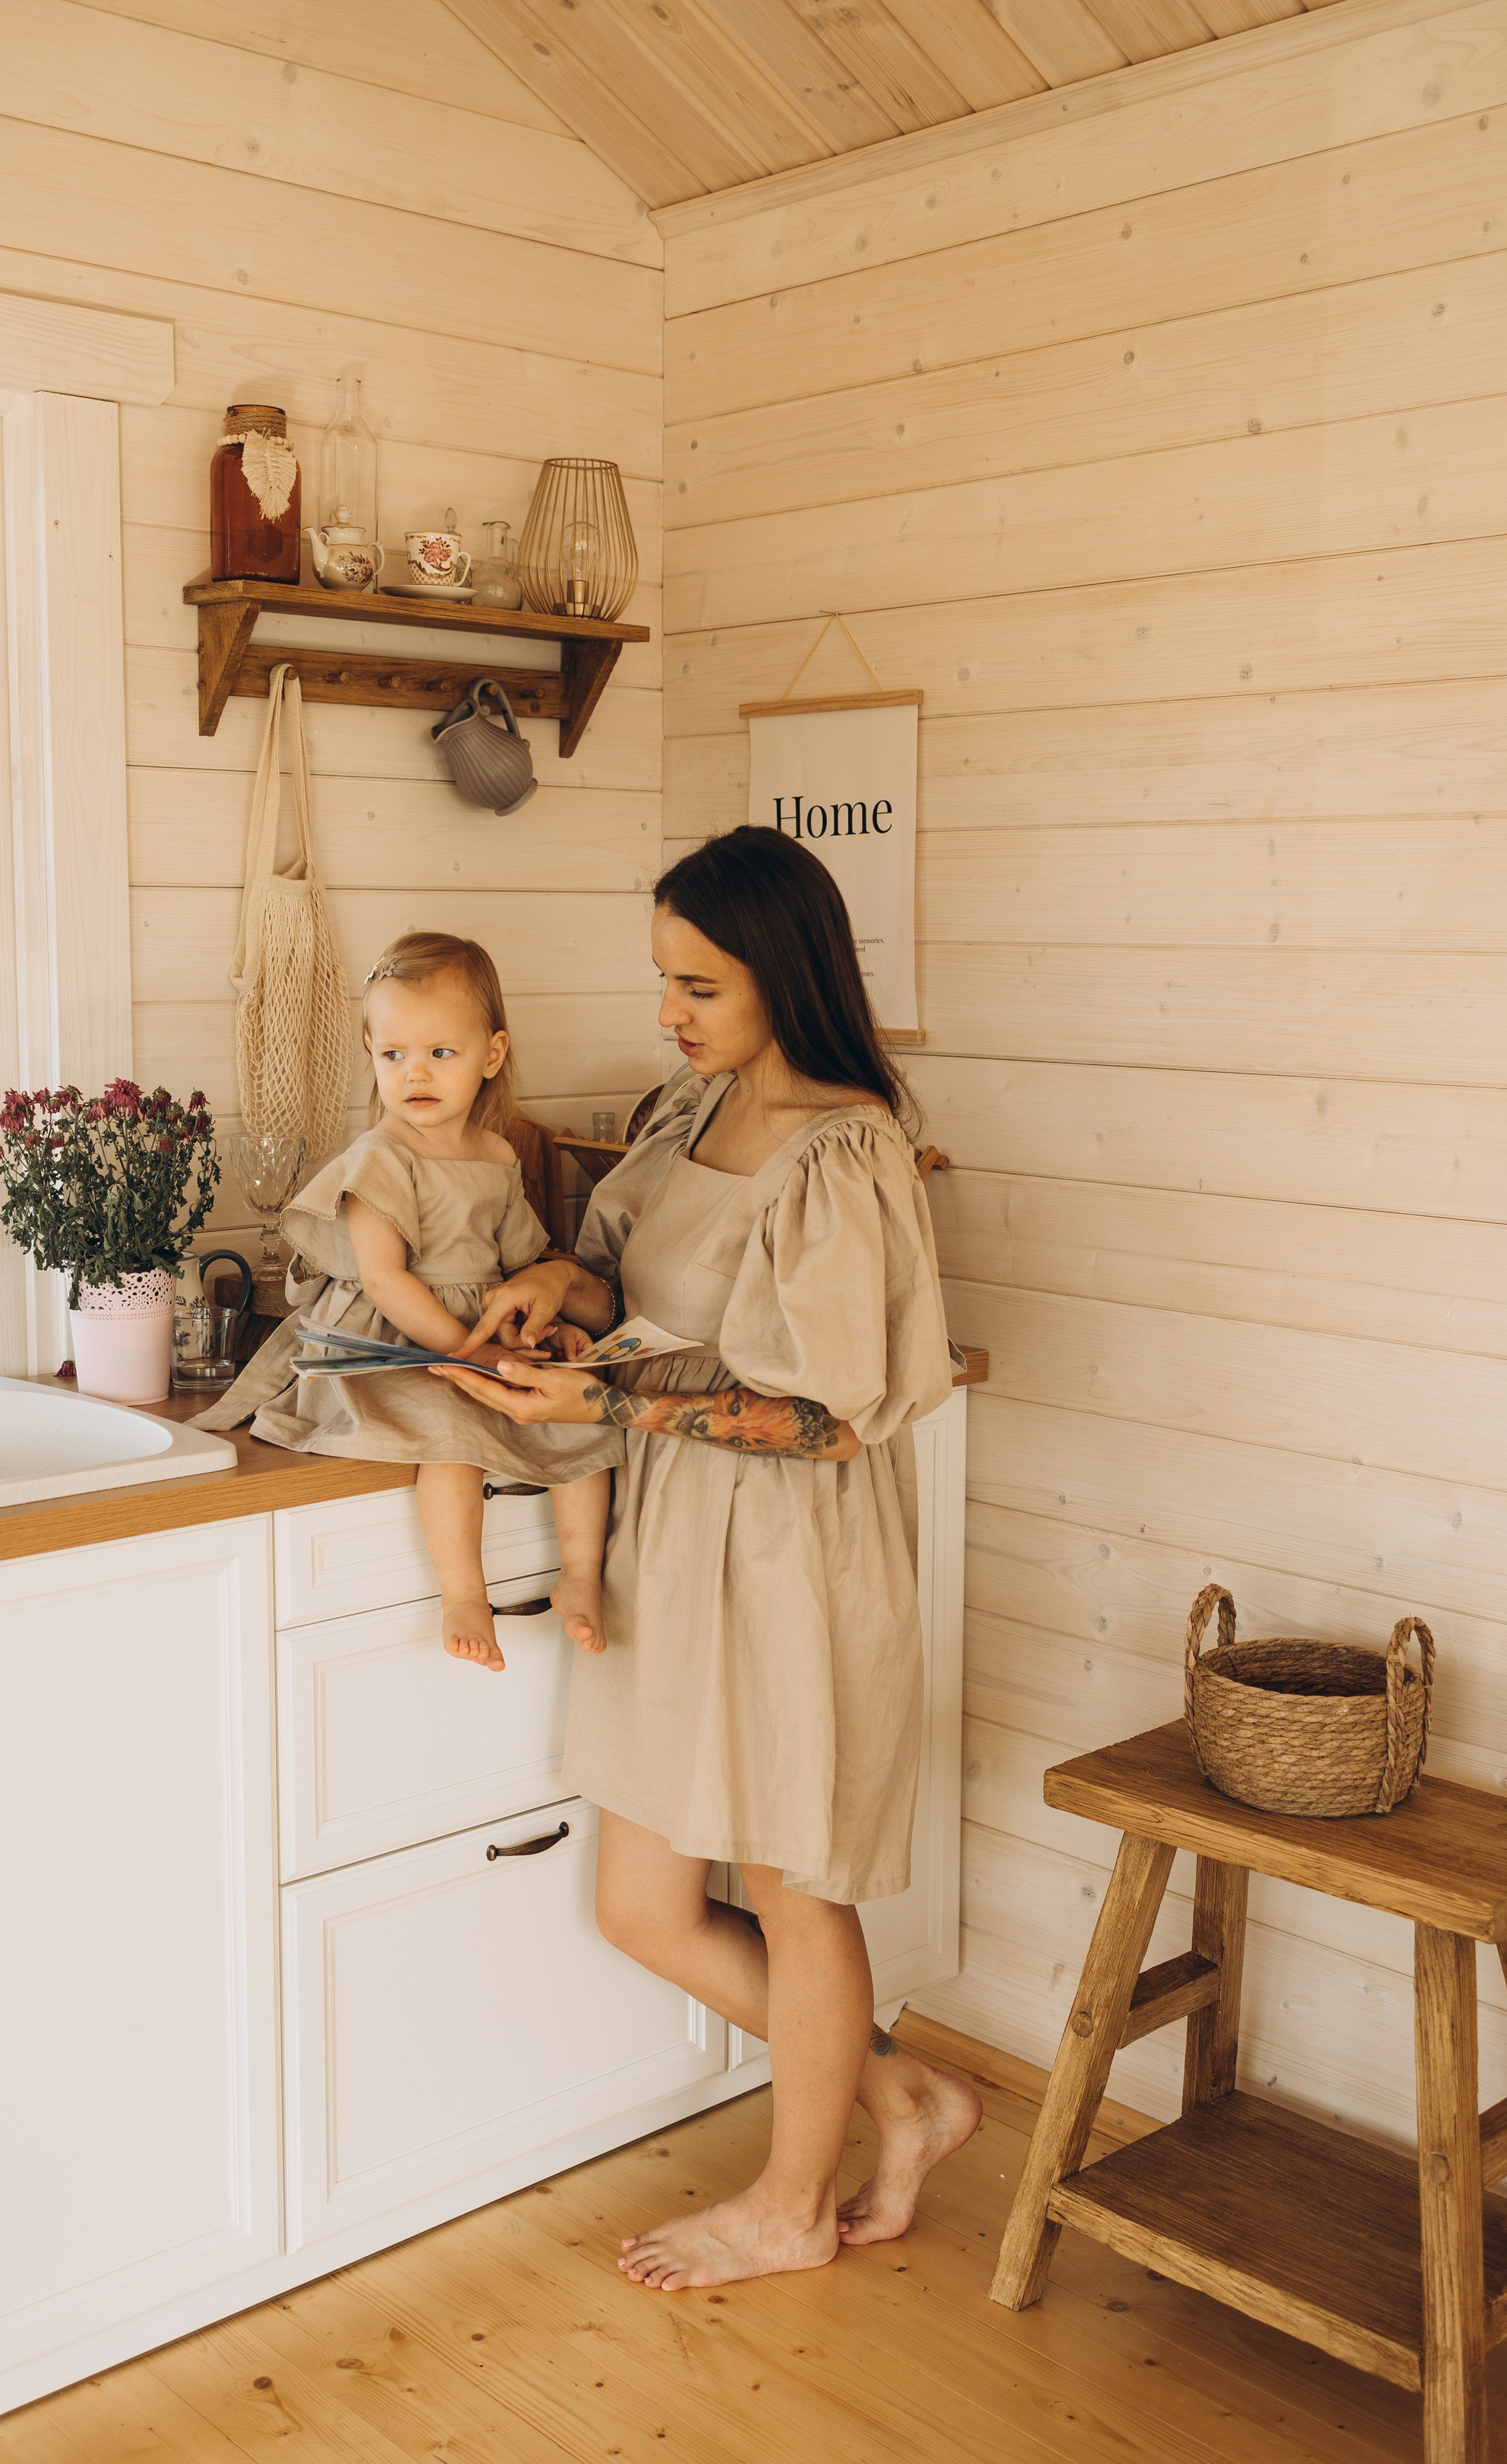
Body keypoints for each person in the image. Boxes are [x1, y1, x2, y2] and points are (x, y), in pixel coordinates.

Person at [432, 828, 983, 2291]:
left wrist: (607, 1402)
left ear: (781, 976)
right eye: (662, 978)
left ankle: (790, 2207)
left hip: (796, 1549)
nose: (667, 1010)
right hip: (676, 1535)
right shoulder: (693, 1103)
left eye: (697, 984)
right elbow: (630, 1269)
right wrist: (556, 1286)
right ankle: (899, 2096)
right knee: (644, 1903)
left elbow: (830, 1416)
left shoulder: (846, 1148)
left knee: (796, 1889)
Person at [195, 931, 621, 1670]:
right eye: (392, 1054)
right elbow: (387, 1281)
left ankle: (581, 1576)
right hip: (389, 1344)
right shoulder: (380, 1157)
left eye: (439, 1053)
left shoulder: (496, 1155)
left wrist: (544, 1330)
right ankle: (464, 1595)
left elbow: (525, 1264)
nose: (413, 1072)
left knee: (579, 1418)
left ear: (491, 1055)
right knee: (453, 1438)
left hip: (478, 1333)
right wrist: (471, 1351)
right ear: (371, 1051)